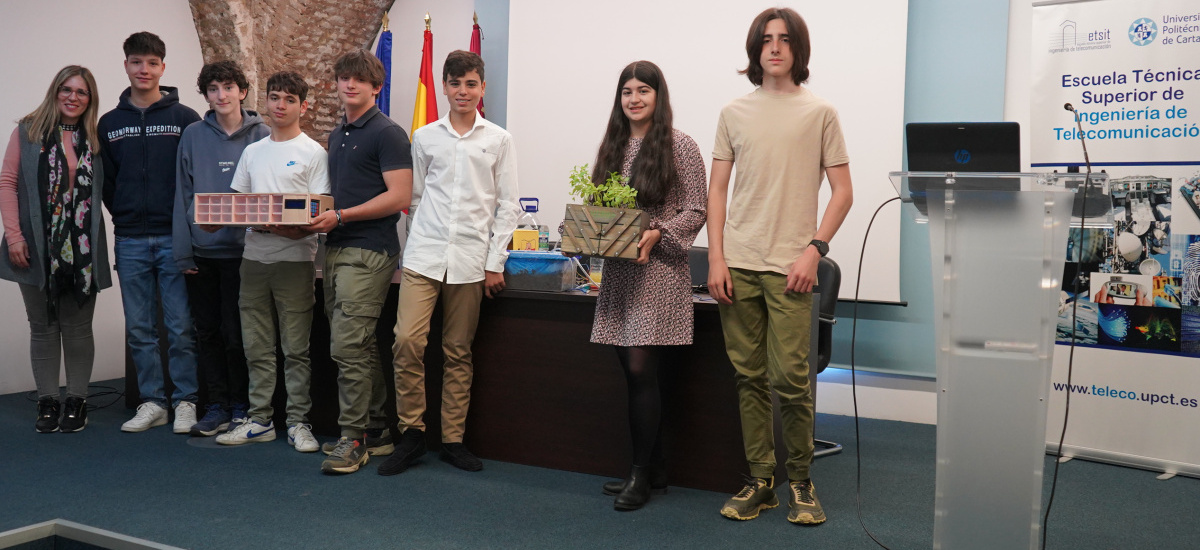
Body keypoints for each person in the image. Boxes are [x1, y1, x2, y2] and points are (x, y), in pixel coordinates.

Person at [707, 8, 853, 525]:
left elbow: (843, 193)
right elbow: (718, 190)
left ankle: (803, 483)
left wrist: (814, 250)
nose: (774, 48)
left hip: (792, 267)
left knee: (791, 381)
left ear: (798, 49)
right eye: (766, 40)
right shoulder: (733, 113)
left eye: (784, 40)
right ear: (755, 49)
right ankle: (761, 482)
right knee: (748, 377)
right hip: (739, 264)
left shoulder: (820, 113)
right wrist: (717, 257)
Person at [377, 50, 519, 476]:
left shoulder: (498, 139)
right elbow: (414, 200)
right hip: (424, 256)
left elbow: (508, 205)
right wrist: (414, 246)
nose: (463, 91)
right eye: (455, 83)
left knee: (457, 351)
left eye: (471, 83)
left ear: (482, 87)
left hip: (472, 260)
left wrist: (496, 262)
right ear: (443, 86)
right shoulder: (424, 137)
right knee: (406, 342)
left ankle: (453, 438)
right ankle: (412, 435)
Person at [587, 61, 707, 510]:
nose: (634, 99)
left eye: (643, 91)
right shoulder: (613, 145)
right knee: (635, 373)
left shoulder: (682, 146)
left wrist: (659, 233)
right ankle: (653, 467)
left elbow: (696, 209)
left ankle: (639, 474)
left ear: (659, 96)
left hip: (658, 272)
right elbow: (602, 208)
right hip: (620, 271)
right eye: (626, 92)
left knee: (640, 370)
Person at [306, 49, 412, 474]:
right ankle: (379, 428)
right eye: (343, 79)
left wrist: (344, 216)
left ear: (376, 87)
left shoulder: (388, 133)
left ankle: (352, 439)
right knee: (360, 344)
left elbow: (399, 197)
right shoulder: (338, 134)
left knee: (347, 345)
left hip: (369, 249)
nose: (350, 85)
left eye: (359, 80)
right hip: (334, 247)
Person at [212, 71, 328, 453]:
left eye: (289, 100)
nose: (280, 105)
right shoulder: (253, 151)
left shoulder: (314, 153)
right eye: (275, 97)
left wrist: (282, 228)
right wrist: (218, 218)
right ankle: (260, 419)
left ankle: (298, 422)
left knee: (296, 349)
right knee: (256, 347)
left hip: (295, 262)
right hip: (253, 260)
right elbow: (237, 207)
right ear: (266, 103)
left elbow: (318, 217)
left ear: (302, 106)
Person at [99, 31, 202, 434]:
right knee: (140, 328)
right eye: (137, 62)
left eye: (152, 62)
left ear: (163, 67)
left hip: (175, 239)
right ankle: (152, 401)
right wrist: (124, 213)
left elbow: (197, 176)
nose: (144, 69)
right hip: (130, 240)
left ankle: (186, 401)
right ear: (126, 65)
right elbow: (108, 183)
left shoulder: (185, 119)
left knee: (179, 326)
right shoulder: (109, 124)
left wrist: (187, 227)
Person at [0, 66, 111, 433]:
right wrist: (14, 236)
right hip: (33, 247)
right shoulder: (28, 132)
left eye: (81, 92)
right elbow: (7, 182)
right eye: (66, 89)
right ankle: (47, 402)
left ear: (89, 99)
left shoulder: (95, 138)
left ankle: (77, 401)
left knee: (78, 328)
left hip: (81, 250)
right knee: (43, 325)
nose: (72, 97)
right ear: (55, 91)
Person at [173, 60, 269, 436]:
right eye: (213, 89)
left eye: (228, 87)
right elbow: (182, 195)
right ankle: (215, 406)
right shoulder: (194, 135)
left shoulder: (262, 134)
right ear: (207, 95)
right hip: (202, 254)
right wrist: (183, 252)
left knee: (237, 335)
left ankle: (243, 406)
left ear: (242, 92)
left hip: (246, 255)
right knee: (207, 333)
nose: (221, 95)